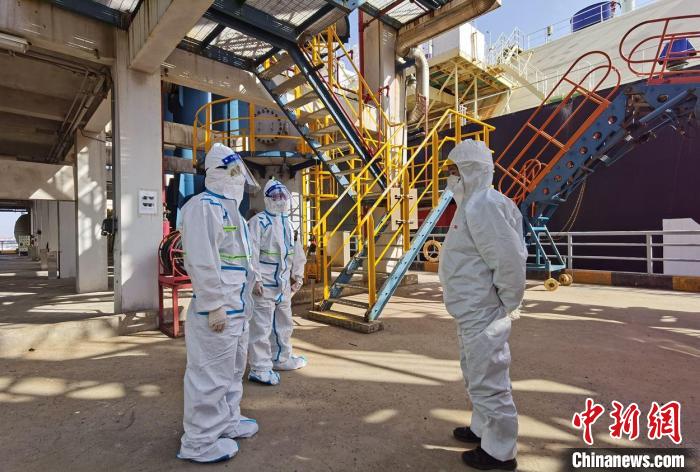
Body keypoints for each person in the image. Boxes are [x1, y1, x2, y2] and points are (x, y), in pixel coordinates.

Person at [438, 139, 527, 471]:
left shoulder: (483, 206)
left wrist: (506, 304)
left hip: (483, 311)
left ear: (471, 170)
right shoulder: (471, 204)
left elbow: (508, 260)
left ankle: (500, 452)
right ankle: (481, 428)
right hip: (470, 310)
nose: (450, 176)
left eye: (454, 170)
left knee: (489, 380)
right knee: (475, 373)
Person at [178, 143, 261, 463]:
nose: (239, 179)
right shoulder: (203, 208)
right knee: (209, 376)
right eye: (234, 172)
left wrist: (253, 284)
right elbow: (202, 261)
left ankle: (227, 421)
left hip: (237, 309)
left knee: (232, 371)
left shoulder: (232, 212)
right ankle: (199, 441)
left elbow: (241, 260)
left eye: (240, 173)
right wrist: (214, 304)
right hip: (217, 311)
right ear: (218, 173)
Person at [247, 178, 307, 385]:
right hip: (263, 287)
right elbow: (251, 253)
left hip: (283, 286)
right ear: (267, 199)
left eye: (283, 196)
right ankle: (259, 367)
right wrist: (255, 279)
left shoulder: (288, 224)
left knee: (283, 324)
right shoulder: (259, 222)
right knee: (261, 328)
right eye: (275, 196)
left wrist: (298, 275)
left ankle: (280, 358)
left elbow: (297, 252)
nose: (280, 200)